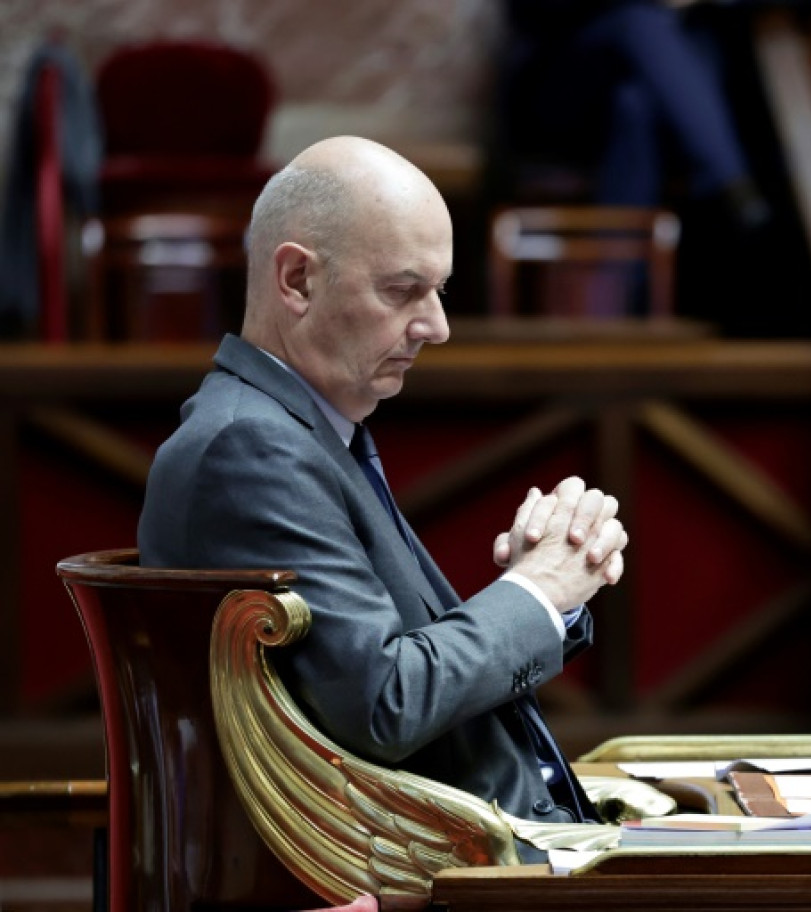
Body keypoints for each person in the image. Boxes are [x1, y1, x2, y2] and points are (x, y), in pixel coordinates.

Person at [136, 136, 628, 855]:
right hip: (442, 879)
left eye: (440, 291)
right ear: (297, 280)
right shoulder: (250, 447)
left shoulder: (303, 430)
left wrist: (547, 590)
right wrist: (535, 593)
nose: (437, 326)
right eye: (402, 291)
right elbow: (385, 703)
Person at [497, 0, 770, 228]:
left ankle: (619, 282)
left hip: (653, 98)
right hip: (562, 90)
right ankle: (730, 178)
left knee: (635, 104)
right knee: (642, 21)